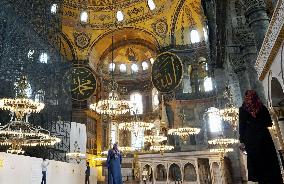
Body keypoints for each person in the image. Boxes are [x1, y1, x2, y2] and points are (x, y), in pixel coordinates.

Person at [239, 90, 283, 184]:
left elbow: (242, 126)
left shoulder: (242, 109)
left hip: (250, 139)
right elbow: (269, 123)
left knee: (257, 163)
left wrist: (241, 140)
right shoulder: (262, 107)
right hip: (264, 136)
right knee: (268, 160)